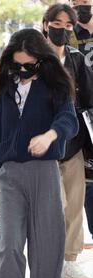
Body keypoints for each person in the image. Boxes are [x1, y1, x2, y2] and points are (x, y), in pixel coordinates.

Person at [0, 29, 78, 278]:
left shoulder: (55, 85)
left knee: (47, 248)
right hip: (10, 173)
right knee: (8, 244)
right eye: (17, 65)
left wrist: (50, 136)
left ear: (42, 60)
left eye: (29, 65)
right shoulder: (6, 86)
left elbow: (69, 119)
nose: (23, 70)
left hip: (45, 172)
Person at [43, 3, 92, 278]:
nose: (62, 30)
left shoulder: (75, 59)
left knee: (74, 204)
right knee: (52, 205)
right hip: (42, 145)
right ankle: (48, 258)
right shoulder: (32, 58)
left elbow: (89, 99)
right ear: (46, 24)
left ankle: (70, 259)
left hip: (73, 144)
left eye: (68, 25)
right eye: (56, 24)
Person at [69, 0, 93, 246]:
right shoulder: (68, 35)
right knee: (89, 180)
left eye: (84, 2)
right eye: (75, 3)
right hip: (83, 117)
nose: (80, 6)